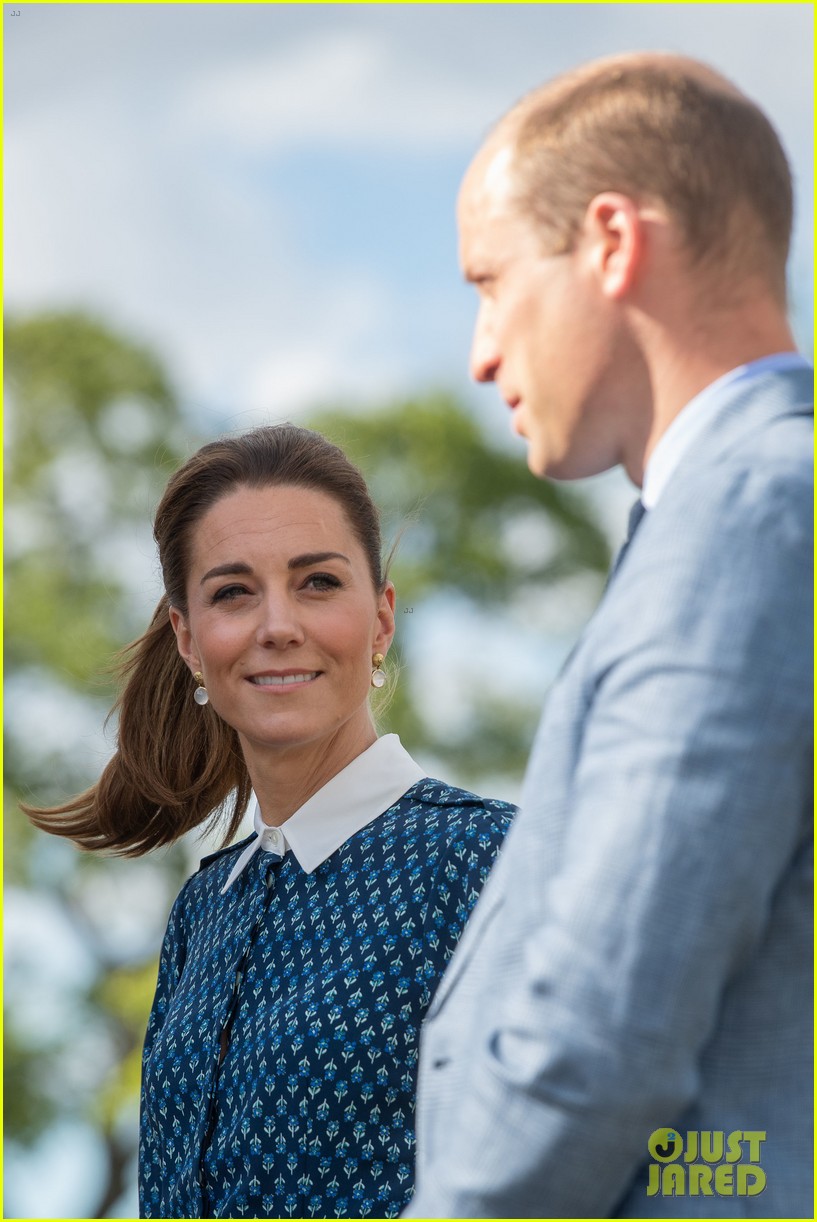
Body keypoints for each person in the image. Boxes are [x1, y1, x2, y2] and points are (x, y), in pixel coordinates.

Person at [405, 52, 812, 1219]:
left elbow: (602, 1033)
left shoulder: (748, 514)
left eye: (491, 282)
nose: (481, 351)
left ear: (612, 241)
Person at [24, 424, 514, 1219]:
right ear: (188, 639)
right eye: (232, 592)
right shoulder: (203, 910)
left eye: (317, 582)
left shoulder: (486, 862)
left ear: (381, 619)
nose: (276, 624)